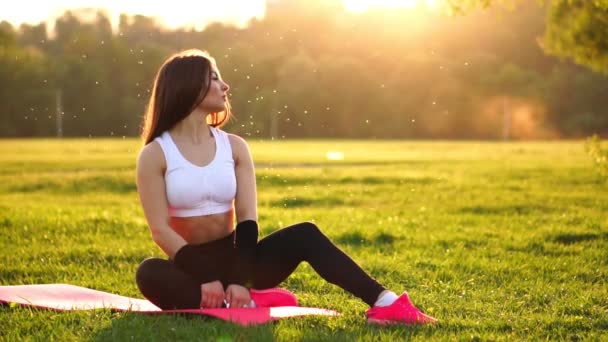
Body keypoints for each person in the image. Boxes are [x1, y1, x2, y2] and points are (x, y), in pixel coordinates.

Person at [134, 49, 437, 325]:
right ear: (188, 86)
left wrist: (240, 278)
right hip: (191, 269)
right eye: (214, 78)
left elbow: (248, 220)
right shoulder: (156, 154)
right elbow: (161, 231)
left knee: (305, 233)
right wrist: (205, 277)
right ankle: (243, 300)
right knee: (148, 272)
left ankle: (387, 304)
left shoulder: (235, 147)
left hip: (241, 260)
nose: (225, 86)